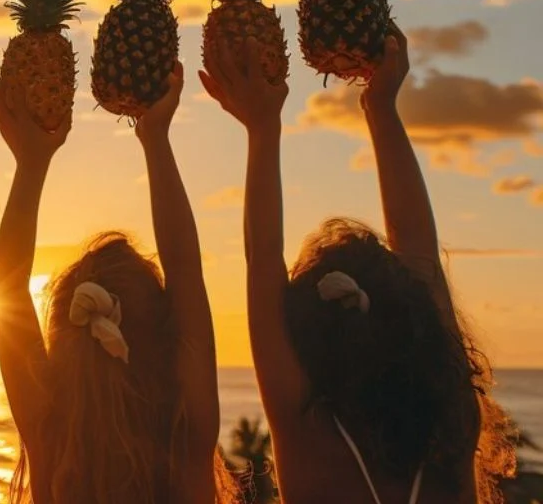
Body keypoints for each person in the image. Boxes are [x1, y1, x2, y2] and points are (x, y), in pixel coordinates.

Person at [200, 34, 515, 503]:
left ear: (306, 332)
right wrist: (382, 107)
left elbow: (261, 255)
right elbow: (421, 252)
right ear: (416, 323)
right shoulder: (450, 422)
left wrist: (262, 128)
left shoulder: (304, 427)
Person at [0, 63, 235, 503]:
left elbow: (5, 290)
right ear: (166, 335)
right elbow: (186, 270)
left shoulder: (53, 439)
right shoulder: (185, 432)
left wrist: (31, 162)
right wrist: (154, 137)